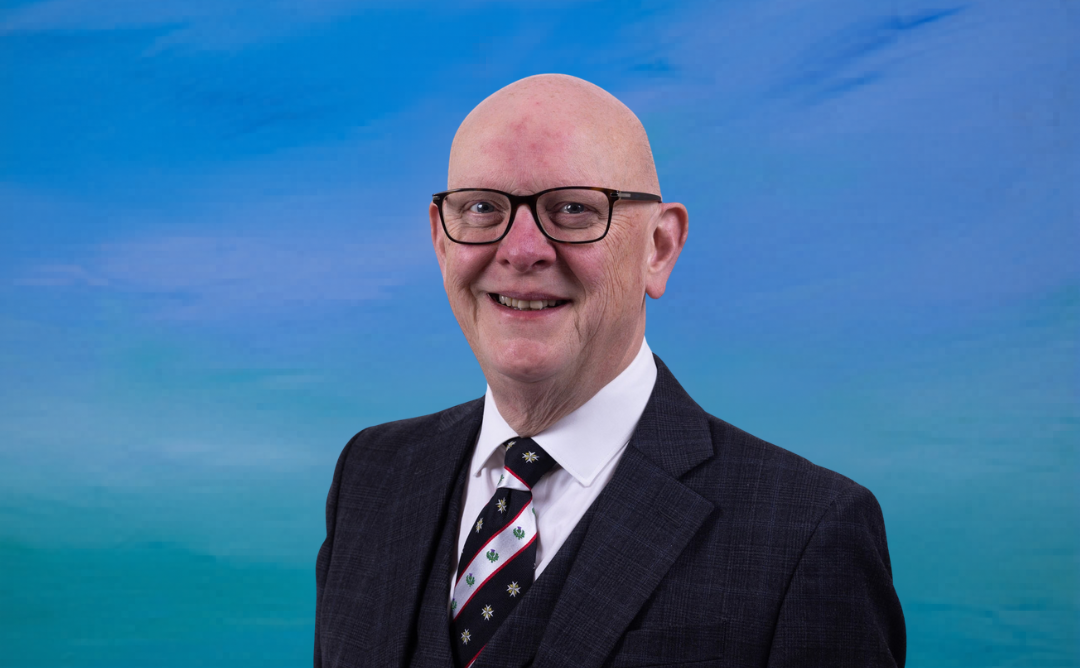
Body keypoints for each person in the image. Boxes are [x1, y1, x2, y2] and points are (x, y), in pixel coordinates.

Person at [314, 74, 906, 667]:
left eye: (572, 209)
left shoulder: (806, 534)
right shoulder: (371, 477)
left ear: (659, 248)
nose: (521, 250)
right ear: (443, 243)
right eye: (482, 208)